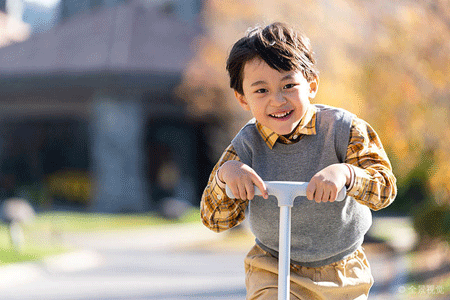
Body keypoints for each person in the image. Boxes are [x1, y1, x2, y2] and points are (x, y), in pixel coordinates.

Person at [200, 22, 397, 300]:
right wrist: (225, 175)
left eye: (289, 85)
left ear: (312, 84)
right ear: (242, 99)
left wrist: (347, 174)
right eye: (261, 91)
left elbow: (385, 189)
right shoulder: (245, 147)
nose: (277, 100)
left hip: (342, 268)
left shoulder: (345, 129)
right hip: (273, 265)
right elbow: (214, 220)